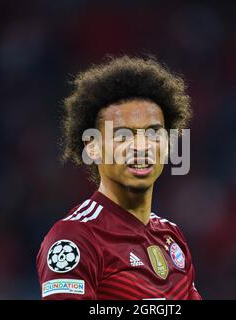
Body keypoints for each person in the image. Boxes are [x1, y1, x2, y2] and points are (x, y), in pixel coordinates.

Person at [37, 56, 201, 300]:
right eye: (123, 136)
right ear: (92, 147)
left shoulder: (171, 236)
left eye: (154, 134)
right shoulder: (74, 237)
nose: (142, 147)